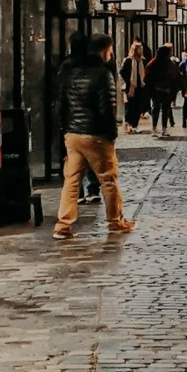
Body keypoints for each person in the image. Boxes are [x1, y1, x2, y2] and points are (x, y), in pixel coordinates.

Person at [52, 30, 133, 239]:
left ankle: (63, 225)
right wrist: (111, 133)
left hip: (73, 134)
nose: (111, 54)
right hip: (95, 134)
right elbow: (106, 107)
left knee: (71, 179)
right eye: (110, 50)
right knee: (108, 178)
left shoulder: (68, 70)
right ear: (105, 50)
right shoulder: (101, 73)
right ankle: (115, 220)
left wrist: (65, 128)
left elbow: (60, 103)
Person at [146, 43, 180, 135]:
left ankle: (154, 128)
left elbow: (147, 75)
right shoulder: (169, 63)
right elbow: (175, 76)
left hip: (156, 89)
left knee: (156, 109)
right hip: (166, 89)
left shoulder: (153, 62)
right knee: (165, 109)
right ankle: (164, 128)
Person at [120, 38, 148, 131]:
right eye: (139, 49)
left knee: (138, 106)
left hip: (140, 86)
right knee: (130, 106)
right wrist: (129, 80)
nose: (141, 50)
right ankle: (129, 124)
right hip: (131, 87)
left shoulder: (143, 60)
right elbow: (122, 71)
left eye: (141, 49)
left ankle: (135, 125)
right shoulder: (128, 60)